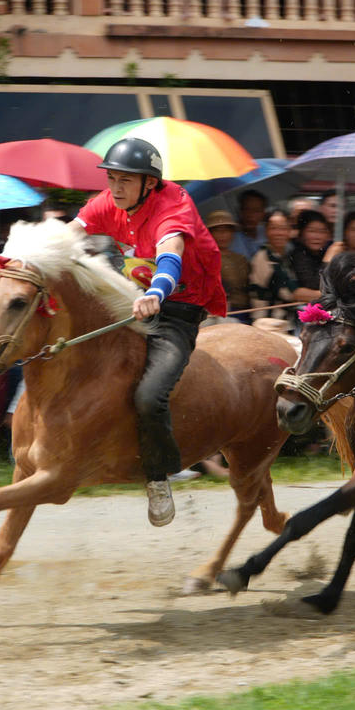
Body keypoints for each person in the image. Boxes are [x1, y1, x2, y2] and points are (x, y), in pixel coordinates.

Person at [69, 137, 227, 526]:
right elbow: (63, 237)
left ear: (149, 183)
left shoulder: (174, 208)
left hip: (177, 310)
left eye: (126, 180)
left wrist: (157, 291)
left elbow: (170, 256)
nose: (116, 187)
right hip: (133, 300)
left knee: (149, 396)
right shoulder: (110, 202)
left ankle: (158, 477)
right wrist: (3, 259)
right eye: (112, 178)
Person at [248, 208, 298, 324]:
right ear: (266, 231)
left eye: (283, 228)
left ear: (290, 231)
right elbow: (289, 293)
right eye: (273, 228)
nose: (278, 233)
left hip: (286, 322)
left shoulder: (287, 255)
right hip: (268, 324)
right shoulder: (263, 257)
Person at [204, 209, 251, 320]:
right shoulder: (205, 259)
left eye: (227, 230)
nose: (223, 235)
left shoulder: (241, 259)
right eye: (218, 231)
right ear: (210, 233)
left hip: (247, 309)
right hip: (222, 312)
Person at [286, 209, 330, 306]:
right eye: (312, 231)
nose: (317, 237)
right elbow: (313, 285)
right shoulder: (298, 254)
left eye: (322, 231)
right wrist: (328, 260)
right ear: (301, 234)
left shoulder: (324, 252)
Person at [231, 189, 267, 258]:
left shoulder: (268, 233)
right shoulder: (230, 239)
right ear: (239, 211)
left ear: (263, 213)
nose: (250, 215)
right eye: (246, 209)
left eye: (256, 211)